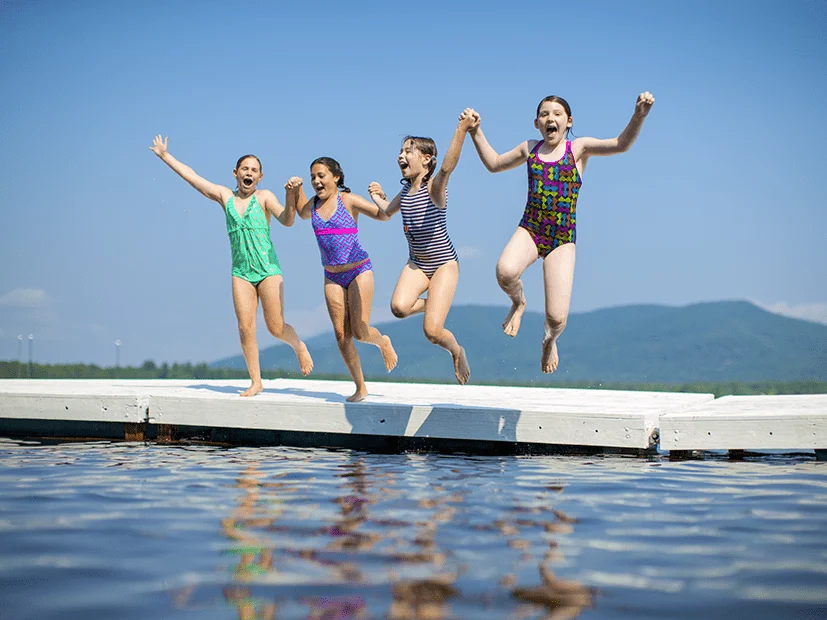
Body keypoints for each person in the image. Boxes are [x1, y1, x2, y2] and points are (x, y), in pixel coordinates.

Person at [466, 92, 655, 373]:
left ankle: (549, 341)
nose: (550, 118)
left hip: (562, 239)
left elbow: (620, 144)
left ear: (568, 121)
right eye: (544, 114)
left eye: (556, 113)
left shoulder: (578, 149)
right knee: (504, 271)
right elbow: (493, 163)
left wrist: (638, 115)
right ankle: (518, 303)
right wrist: (475, 131)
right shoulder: (529, 149)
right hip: (530, 229)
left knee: (556, 318)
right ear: (536, 123)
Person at [149, 135, 313, 396]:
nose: (249, 173)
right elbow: (195, 179)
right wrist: (166, 156)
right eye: (244, 169)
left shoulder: (264, 197)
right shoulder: (225, 197)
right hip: (241, 272)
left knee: (275, 326)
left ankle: (298, 346)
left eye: (254, 170)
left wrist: (290, 194)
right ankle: (256, 381)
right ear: (236, 174)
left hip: (268, 270)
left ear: (260, 177)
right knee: (245, 326)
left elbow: (288, 220)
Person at [366, 111, 476, 385]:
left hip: (443, 265)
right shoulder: (404, 193)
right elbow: (387, 213)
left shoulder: (434, 188)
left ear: (426, 159)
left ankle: (456, 350)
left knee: (432, 332)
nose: (401, 156)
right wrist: (377, 197)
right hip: (417, 263)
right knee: (399, 308)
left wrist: (461, 128)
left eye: (408, 151)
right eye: (401, 151)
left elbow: (448, 167)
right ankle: (436, 304)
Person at [286, 157, 397, 402]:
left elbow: (384, 215)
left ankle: (382, 341)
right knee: (340, 334)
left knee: (360, 331)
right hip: (332, 276)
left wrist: (381, 195)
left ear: (336, 177)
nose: (316, 181)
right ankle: (360, 387)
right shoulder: (313, 206)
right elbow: (302, 212)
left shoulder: (347, 200)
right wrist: (297, 189)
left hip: (359, 271)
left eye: (321, 176)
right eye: (313, 176)